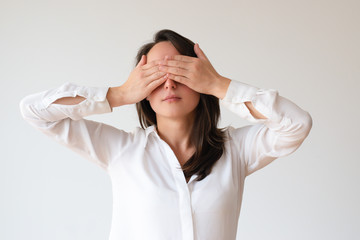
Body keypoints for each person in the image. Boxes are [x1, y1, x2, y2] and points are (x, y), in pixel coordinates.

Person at [20, 29, 312, 240]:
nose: (169, 84)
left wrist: (220, 85)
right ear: (144, 90)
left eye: (181, 72)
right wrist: (119, 94)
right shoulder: (122, 150)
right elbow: (34, 111)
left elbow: (297, 124)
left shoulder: (236, 150)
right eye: (156, 76)